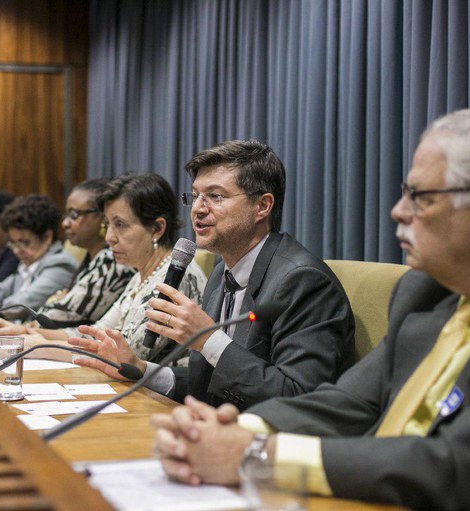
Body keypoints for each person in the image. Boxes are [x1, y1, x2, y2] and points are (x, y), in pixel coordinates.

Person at [151, 106, 470, 510]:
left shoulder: (302, 278)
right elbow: (345, 402)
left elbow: (458, 466)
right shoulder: (426, 295)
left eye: (420, 197)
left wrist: (257, 456)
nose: (399, 211)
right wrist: (232, 432)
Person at [69, 140, 354, 410]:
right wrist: (141, 371)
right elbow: (209, 384)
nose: (198, 209)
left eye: (215, 196)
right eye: (194, 196)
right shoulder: (222, 274)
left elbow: (299, 396)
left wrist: (208, 340)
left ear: (263, 206)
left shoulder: (302, 280)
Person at [0, 173, 207, 365]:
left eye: (119, 225)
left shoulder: (174, 276)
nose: (109, 238)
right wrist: (26, 332)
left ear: (157, 228)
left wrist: (38, 346)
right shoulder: (143, 273)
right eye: (107, 225)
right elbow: (97, 332)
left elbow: (127, 355)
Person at [37, 178, 135, 327]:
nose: (65, 223)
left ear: (103, 218)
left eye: (74, 215)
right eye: (67, 215)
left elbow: (58, 317)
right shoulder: (91, 260)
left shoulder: (114, 262)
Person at [0, 194, 78, 320]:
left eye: (24, 242)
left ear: (47, 237)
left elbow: (24, 303)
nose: (16, 250)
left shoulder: (61, 265)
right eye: (13, 243)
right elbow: (3, 288)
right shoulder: (29, 262)